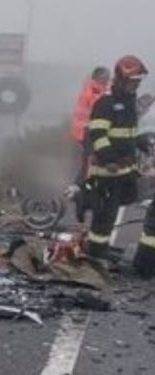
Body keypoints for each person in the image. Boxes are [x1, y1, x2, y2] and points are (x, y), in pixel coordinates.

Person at [85, 55, 148, 260]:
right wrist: (111, 159)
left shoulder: (129, 105)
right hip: (106, 172)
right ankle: (95, 253)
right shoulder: (106, 104)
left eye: (138, 82)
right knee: (103, 217)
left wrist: (145, 145)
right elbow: (98, 135)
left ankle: (101, 250)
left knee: (111, 214)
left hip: (123, 172)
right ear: (121, 80)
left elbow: (130, 134)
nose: (135, 86)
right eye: (132, 82)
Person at [66, 66, 110, 222]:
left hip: (84, 131)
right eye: (106, 77)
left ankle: (76, 190)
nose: (108, 79)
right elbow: (101, 110)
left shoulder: (95, 90)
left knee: (86, 165)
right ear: (98, 77)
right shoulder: (93, 93)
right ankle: (77, 192)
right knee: (89, 165)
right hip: (87, 132)